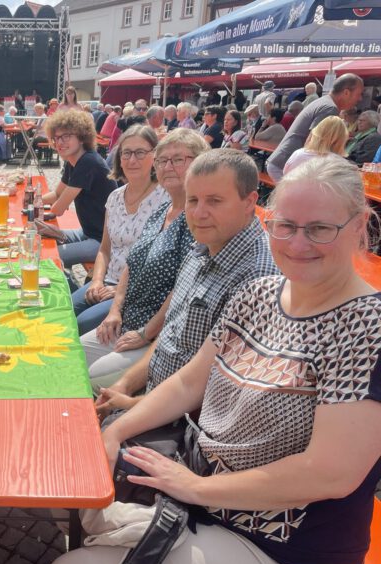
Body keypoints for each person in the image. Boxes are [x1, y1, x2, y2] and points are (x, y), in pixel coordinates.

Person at [53, 155, 381, 564]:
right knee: (74, 529)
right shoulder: (260, 293)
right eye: (286, 226)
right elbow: (191, 380)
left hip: (282, 545)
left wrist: (195, 487)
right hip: (205, 505)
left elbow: (329, 474)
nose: (299, 244)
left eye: (320, 229)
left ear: (359, 225)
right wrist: (114, 431)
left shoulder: (365, 325)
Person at [95, 149, 278, 415]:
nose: (199, 213)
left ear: (250, 202)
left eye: (214, 201)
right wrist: (125, 384)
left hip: (185, 424)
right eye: (193, 200)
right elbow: (170, 337)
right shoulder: (201, 248)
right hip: (155, 394)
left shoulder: (257, 280)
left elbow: (217, 393)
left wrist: (132, 405)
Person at [80, 129, 205, 391]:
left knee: (94, 376)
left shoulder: (198, 218)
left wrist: (145, 333)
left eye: (179, 159)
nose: (168, 166)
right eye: (163, 160)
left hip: (157, 336)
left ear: (201, 163)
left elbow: (183, 288)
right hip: (127, 320)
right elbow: (131, 263)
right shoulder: (162, 209)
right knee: (71, 356)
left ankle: (101, 421)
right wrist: (115, 310)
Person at [71, 125, 169, 335]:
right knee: (63, 312)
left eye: (140, 152)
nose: (132, 160)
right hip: (107, 281)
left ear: (155, 156)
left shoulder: (165, 198)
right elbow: (104, 249)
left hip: (136, 292)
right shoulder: (115, 197)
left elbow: (159, 263)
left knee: (80, 324)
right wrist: (96, 281)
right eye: (126, 153)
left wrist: (118, 291)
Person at [41, 109, 118, 267]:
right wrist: (30, 201)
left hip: (103, 241)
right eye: (56, 138)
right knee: (39, 239)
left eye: (66, 136)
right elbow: (56, 194)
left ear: (82, 137)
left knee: (48, 258)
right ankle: (68, 281)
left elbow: (58, 209)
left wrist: (35, 208)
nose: (59, 143)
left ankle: (69, 288)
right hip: (87, 232)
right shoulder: (74, 161)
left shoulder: (88, 162)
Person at [267, 73, 364, 182]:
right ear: (346, 92)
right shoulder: (329, 108)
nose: (360, 99)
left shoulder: (324, 102)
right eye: (359, 94)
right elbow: (313, 143)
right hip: (288, 166)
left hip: (285, 162)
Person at [284, 115, 349, 175]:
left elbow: (285, 174)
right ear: (342, 140)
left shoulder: (298, 154)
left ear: (316, 133)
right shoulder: (341, 165)